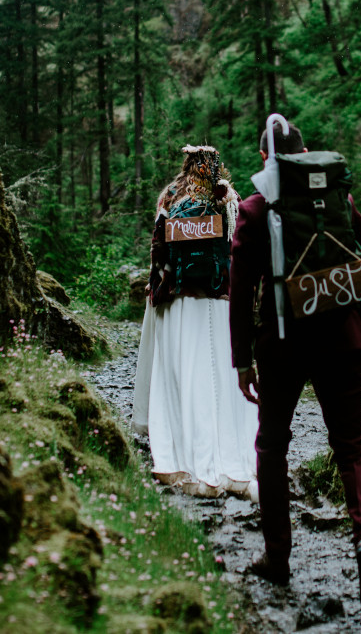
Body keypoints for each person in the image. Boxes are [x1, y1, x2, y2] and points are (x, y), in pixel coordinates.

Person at [228, 120, 361, 622]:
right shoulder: (337, 199)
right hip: (342, 337)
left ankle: (278, 558)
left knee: (272, 446)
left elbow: (240, 290)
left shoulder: (254, 210)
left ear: (264, 158)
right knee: (353, 450)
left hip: (282, 343)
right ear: (305, 155)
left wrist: (242, 359)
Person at [133, 145, 259, 499]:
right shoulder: (227, 199)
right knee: (218, 373)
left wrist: (156, 286)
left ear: (186, 166)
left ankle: (185, 445)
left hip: (179, 301)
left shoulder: (170, 198)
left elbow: (158, 250)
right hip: (219, 299)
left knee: (185, 375)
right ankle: (229, 450)